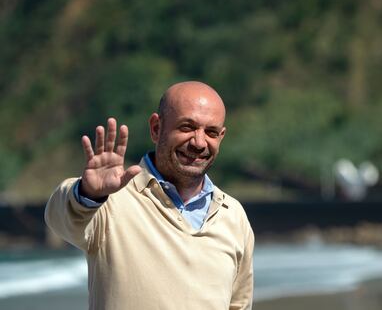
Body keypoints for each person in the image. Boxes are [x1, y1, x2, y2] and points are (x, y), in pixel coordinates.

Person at [45, 81, 254, 310]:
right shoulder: (111, 201)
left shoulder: (233, 215)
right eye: (187, 127)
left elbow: (239, 306)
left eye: (211, 132)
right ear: (156, 128)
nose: (199, 142)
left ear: (221, 136)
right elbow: (60, 220)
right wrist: (88, 194)